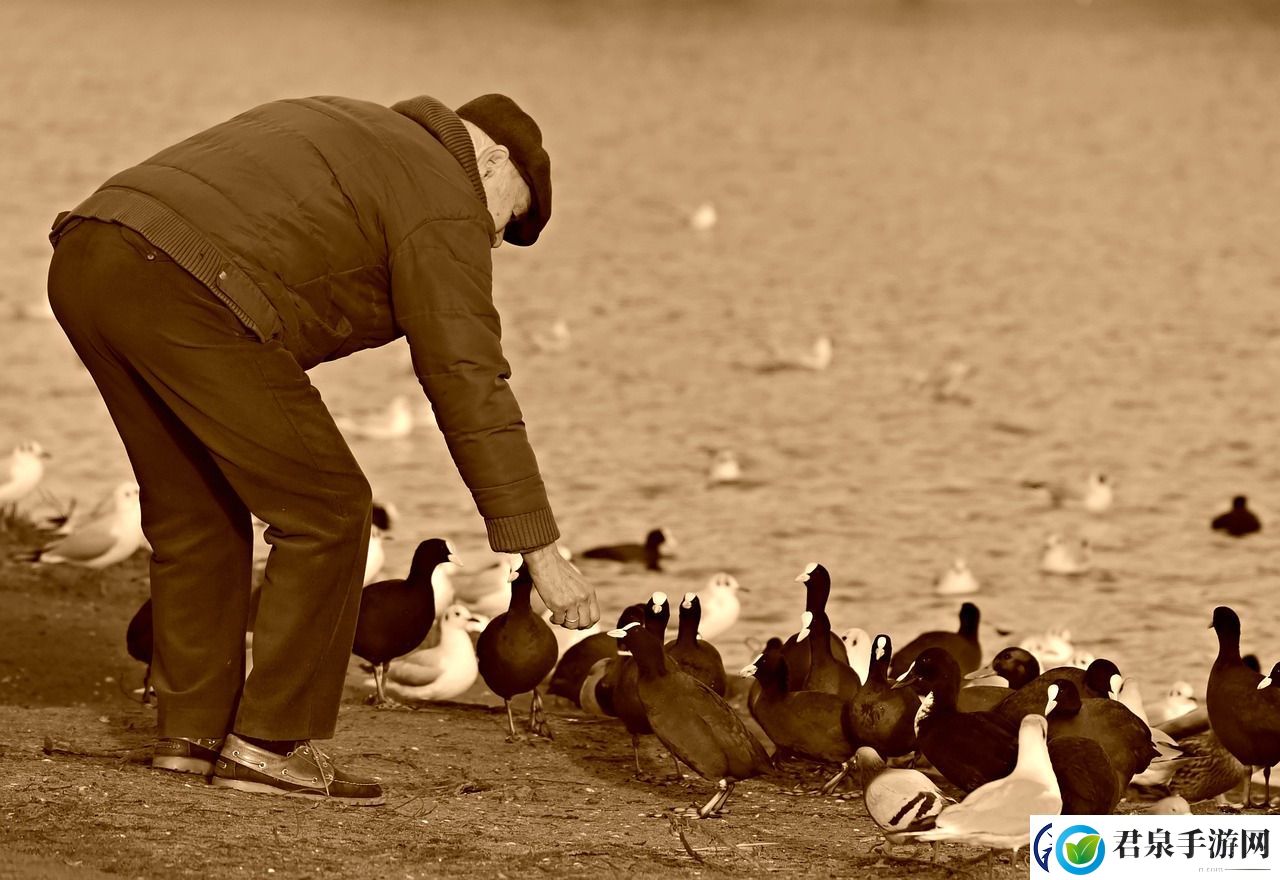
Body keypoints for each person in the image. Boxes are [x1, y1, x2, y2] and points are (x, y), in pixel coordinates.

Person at [45, 93, 600, 805]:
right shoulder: (442, 195)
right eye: (504, 220)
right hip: (186, 284)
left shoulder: (347, 120)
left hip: (94, 252)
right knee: (331, 508)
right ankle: (270, 744)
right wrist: (539, 551)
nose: (491, 243)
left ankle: (189, 737)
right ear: (490, 163)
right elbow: (468, 382)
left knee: (197, 509)